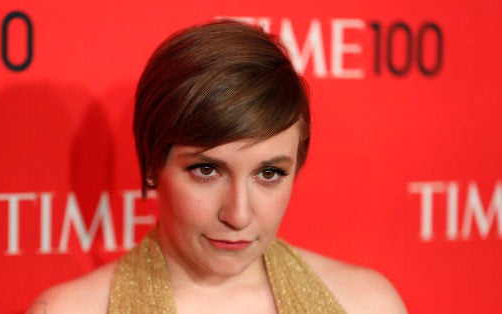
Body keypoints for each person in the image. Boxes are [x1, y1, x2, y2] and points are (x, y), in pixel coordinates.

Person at [28, 20, 406, 313]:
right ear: (151, 163)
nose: (238, 215)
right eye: (207, 170)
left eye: (269, 173)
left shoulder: (365, 304)